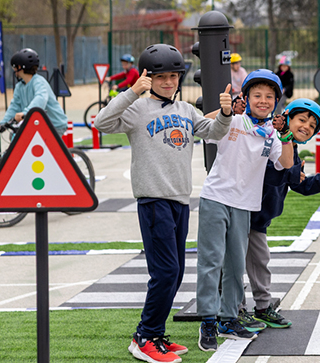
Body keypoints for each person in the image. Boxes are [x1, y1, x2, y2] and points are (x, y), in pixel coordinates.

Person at [94, 43, 234, 363]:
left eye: (173, 76)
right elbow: (102, 122)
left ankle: (154, 333)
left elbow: (214, 132)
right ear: (148, 77)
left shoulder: (186, 111)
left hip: (180, 201)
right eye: (160, 77)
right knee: (166, 271)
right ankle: (144, 336)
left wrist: (225, 113)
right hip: (153, 200)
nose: (168, 82)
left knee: (176, 271)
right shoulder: (137, 110)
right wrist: (132, 91)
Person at [196, 70, 294, 352]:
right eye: (257, 96)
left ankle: (229, 318)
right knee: (212, 262)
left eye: (269, 97)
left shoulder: (272, 133)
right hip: (216, 198)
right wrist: (225, 110)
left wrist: (286, 134)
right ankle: (208, 321)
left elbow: (286, 163)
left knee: (236, 266)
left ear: (276, 101)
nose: (263, 101)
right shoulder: (234, 120)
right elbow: (202, 125)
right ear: (246, 98)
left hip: (244, 205)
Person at [244, 98, 320, 330]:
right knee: (233, 265)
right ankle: (230, 311)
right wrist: (292, 174)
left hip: (260, 219)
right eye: (302, 120)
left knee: (260, 262)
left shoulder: (292, 152)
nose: (306, 126)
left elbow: (300, 185)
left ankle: (263, 308)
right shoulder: (270, 141)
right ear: (287, 119)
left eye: (312, 125)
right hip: (244, 213)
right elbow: (270, 175)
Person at [0, 48, 68, 135]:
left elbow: (40, 99)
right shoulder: (20, 86)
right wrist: (3, 124)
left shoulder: (39, 82)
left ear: (20, 67)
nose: (14, 70)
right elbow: (15, 105)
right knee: (14, 136)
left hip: (54, 125)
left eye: (14, 67)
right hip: (38, 124)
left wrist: (25, 113)